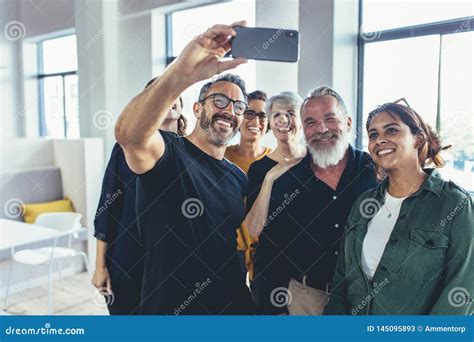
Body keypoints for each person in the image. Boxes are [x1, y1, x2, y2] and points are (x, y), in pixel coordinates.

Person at [114, 22, 256, 315]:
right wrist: (180, 74)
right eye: (220, 100)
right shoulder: (169, 152)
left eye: (238, 107)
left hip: (230, 306)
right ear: (197, 109)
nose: (230, 111)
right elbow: (128, 135)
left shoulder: (236, 177)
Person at [324, 99, 473, 315]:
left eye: (391, 130)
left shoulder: (455, 205)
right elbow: (341, 282)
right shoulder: (364, 204)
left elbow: (461, 292)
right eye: (373, 135)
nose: (380, 140)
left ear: (418, 139)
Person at [246, 86, 377, 315]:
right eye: (311, 122)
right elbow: (269, 244)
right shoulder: (287, 176)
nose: (322, 129)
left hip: (361, 295)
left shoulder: (372, 170)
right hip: (305, 299)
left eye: (329, 118)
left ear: (347, 123)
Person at [92, 78, 187, 315]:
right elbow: (107, 208)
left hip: (173, 265)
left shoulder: (191, 151)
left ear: (183, 105)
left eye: (173, 92)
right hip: (128, 259)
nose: (168, 99)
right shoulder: (126, 148)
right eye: (159, 94)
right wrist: (99, 265)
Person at [224, 90, 271, 282]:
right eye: (249, 113)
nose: (256, 121)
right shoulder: (222, 157)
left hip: (263, 251)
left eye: (262, 115)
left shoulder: (274, 162)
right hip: (228, 249)